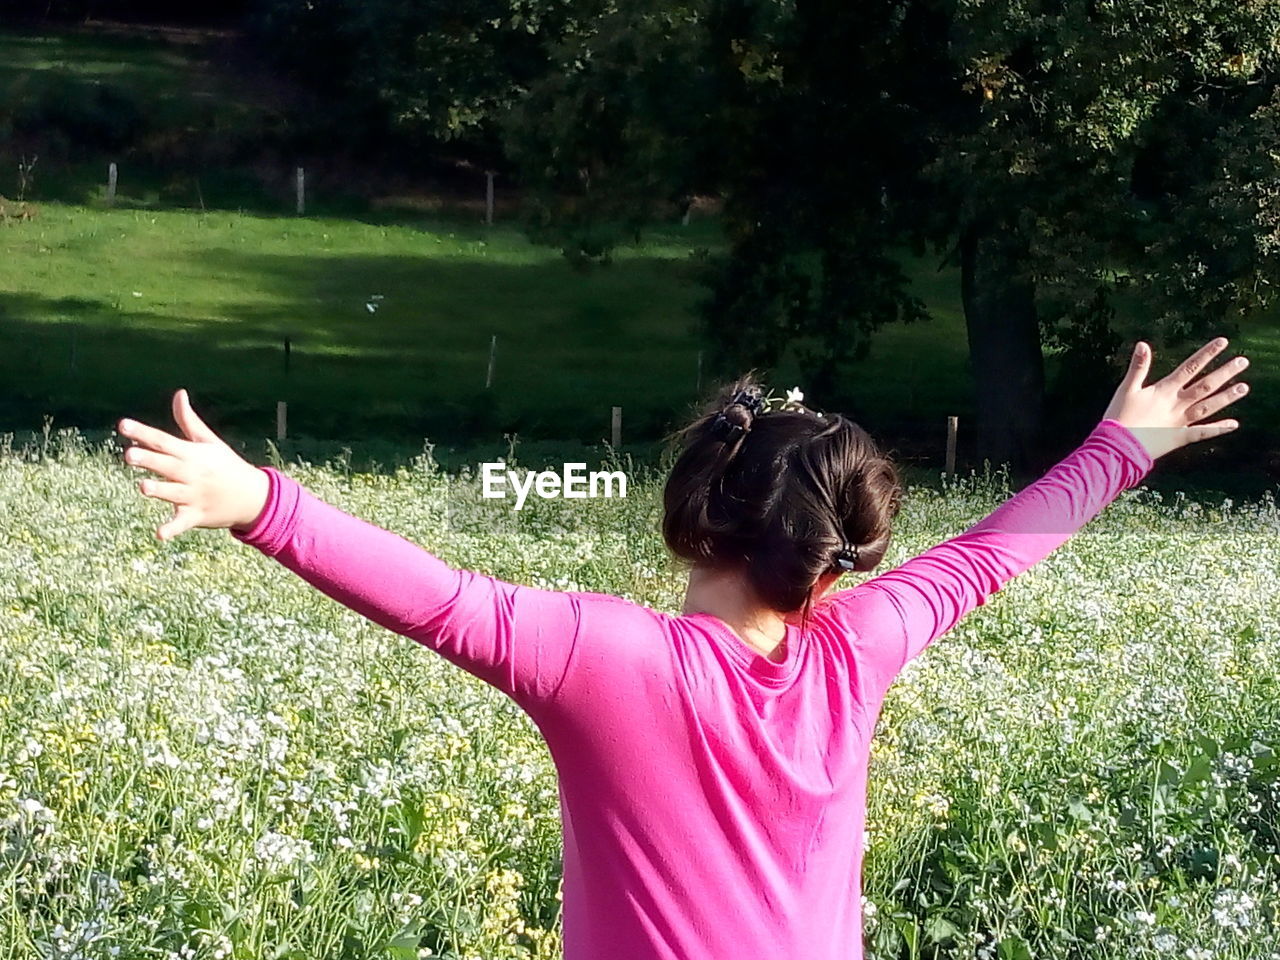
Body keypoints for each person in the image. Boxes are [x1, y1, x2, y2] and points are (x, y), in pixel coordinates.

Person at [115, 337, 1249, 959]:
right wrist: (1121, 445)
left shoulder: (603, 656)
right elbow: (987, 556)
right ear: (834, 545)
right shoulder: (863, 641)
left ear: (693, 510)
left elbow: (439, 599)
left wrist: (257, 500)